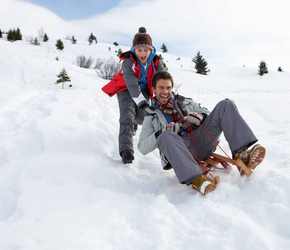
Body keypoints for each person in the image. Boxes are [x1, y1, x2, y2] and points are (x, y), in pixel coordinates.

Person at [138, 71, 266, 195]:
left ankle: (241, 154)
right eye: (161, 88)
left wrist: (201, 116)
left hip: (202, 139)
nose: (165, 92)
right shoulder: (151, 116)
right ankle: (197, 179)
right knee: (165, 136)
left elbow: (208, 114)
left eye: (168, 87)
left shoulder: (184, 101)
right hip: (181, 151)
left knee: (226, 105)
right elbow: (142, 147)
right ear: (154, 89)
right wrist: (162, 132)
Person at [102, 27, 165, 164]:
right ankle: (126, 150)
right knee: (127, 116)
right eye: (139, 50)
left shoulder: (155, 62)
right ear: (134, 50)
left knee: (144, 117)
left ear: (151, 50)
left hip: (144, 89)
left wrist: (166, 97)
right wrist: (143, 104)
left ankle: (135, 123)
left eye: (146, 50)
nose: (143, 53)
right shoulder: (128, 62)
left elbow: (163, 79)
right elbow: (132, 86)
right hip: (125, 88)